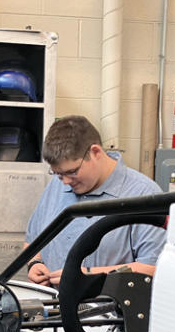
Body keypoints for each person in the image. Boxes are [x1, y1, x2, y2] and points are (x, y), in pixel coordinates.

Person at [24, 115, 163, 288]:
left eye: (72, 172)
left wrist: (88, 276)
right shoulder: (57, 185)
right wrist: (34, 263)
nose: (65, 181)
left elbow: (152, 268)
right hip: (53, 307)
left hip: (107, 311)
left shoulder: (144, 194)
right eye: (58, 174)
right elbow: (32, 241)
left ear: (95, 152)